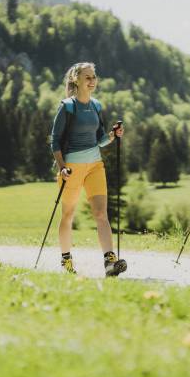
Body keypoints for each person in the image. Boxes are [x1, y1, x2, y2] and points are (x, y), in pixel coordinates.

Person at [50, 62, 127, 277]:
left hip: (95, 165)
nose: (92, 81)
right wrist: (62, 168)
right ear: (76, 80)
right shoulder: (67, 106)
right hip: (72, 168)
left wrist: (113, 135)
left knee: (101, 214)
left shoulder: (96, 106)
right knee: (68, 214)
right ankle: (66, 261)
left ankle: (110, 261)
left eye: (94, 77)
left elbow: (100, 140)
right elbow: (54, 141)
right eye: (88, 77)